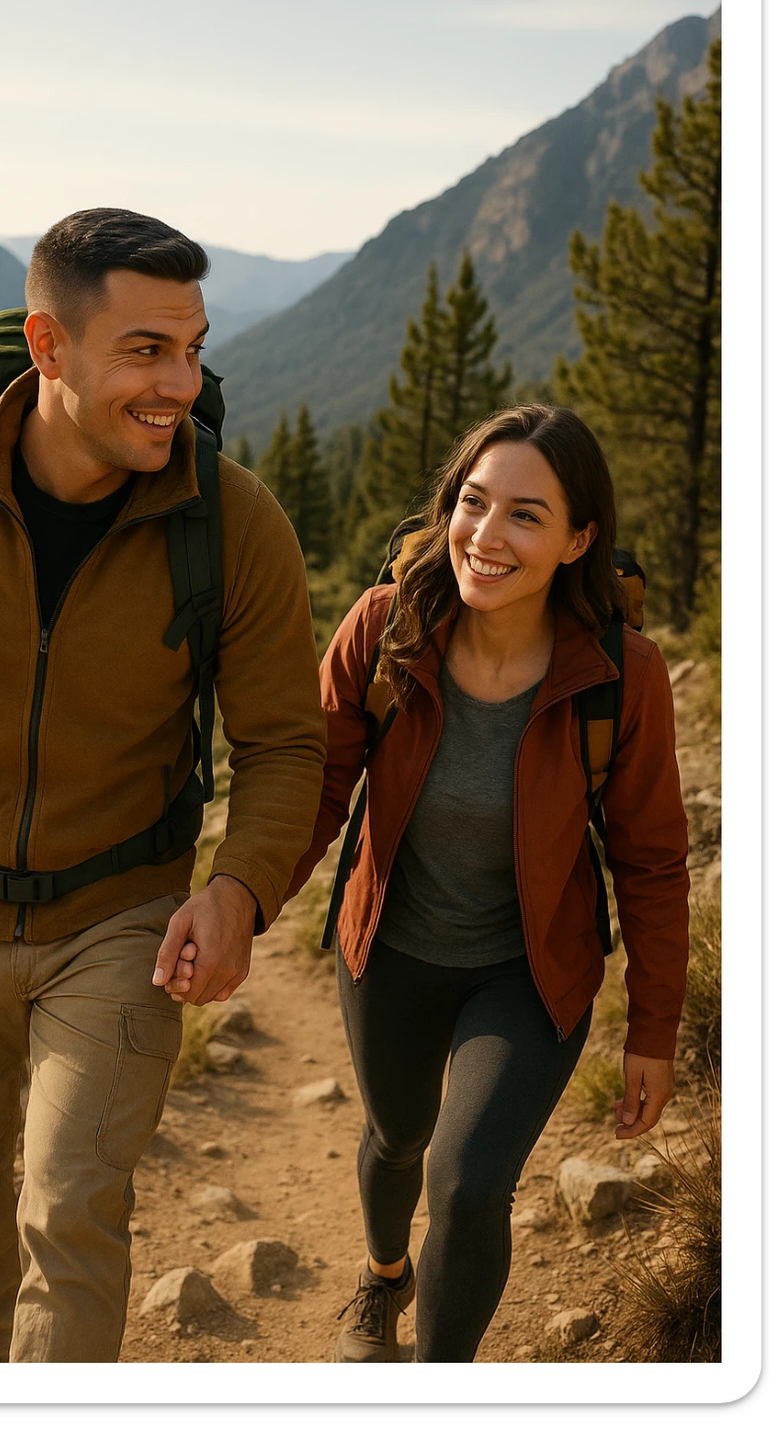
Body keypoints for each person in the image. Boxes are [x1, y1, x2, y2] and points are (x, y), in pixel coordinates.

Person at [0, 208, 327, 1363]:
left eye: (192, 349)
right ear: (47, 345)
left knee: (69, 1206)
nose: (178, 383)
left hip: (122, 917)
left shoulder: (231, 523)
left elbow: (285, 743)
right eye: (144, 350)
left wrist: (237, 892)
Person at [286, 404, 690, 1364]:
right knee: (394, 1139)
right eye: (473, 502)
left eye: (526, 515)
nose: (486, 535)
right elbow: (315, 787)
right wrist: (239, 903)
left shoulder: (620, 677)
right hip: (389, 949)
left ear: (578, 539)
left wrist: (655, 1030)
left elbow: (650, 858)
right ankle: (383, 1276)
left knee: (466, 1182)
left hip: (530, 974)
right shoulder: (388, 628)